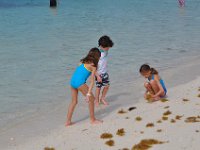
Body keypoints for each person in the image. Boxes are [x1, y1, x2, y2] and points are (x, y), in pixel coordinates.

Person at [66, 47, 103, 126]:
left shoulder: (83, 61)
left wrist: (98, 76)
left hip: (73, 82)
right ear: (97, 57)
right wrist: (88, 94)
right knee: (92, 99)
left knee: (74, 101)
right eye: (99, 57)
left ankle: (68, 121)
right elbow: (92, 81)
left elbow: (85, 70)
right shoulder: (94, 66)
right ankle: (93, 120)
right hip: (80, 83)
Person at [95, 35, 114, 106]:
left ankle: (102, 98)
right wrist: (97, 76)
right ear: (102, 46)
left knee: (107, 86)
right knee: (98, 88)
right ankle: (96, 100)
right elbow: (93, 66)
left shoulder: (105, 51)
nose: (109, 48)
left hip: (105, 73)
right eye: (108, 47)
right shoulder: (97, 54)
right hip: (98, 74)